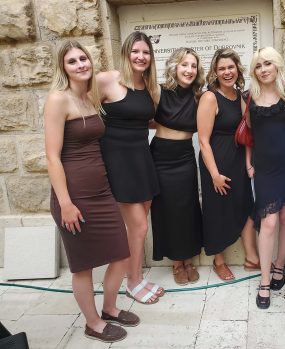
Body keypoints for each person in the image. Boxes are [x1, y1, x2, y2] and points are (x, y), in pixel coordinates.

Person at [45, 40, 138, 343]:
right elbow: (52, 156)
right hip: (74, 195)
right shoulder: (58, 100)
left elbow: (124, 79)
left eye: (83, 58)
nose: (80, 65)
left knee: (121, 253)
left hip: (101, 191)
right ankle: (93, 322)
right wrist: (65, 203)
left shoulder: (90, 97)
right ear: (63, 67)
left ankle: (110, 308)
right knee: (83, 266)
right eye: (72, 61)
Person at [97, 32, 163, 305]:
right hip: (118, 162)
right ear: (126, 52)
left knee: (139, 225)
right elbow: (82, 113)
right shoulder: (106, 80)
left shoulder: (148, 85)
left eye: (146, 52)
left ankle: (134, 276)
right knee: (138, 226)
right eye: (136, 51)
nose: (141, 57)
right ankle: (132, 283)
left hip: (141, 158)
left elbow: (143, 120)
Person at [197, 48, 258, 281]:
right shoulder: (210, 97)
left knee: (246, 207)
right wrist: (214, 174)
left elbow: (247, 132)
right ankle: (218, 261)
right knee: (217, 211)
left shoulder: (240, 97)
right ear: (215, 72)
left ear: (238, 69)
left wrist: (249, 163)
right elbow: (203, 140)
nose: (227, 72)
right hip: (217, 163)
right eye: (221, 68)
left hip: (238, 162)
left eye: (230, 67)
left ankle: (251, 257)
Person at [150, 48, 204, 285]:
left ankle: (188, 259)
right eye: (184, 65)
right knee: (168, 209)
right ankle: (176, 262)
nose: (189, 70)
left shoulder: (199, 96)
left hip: (184, 155)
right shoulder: (159, 91)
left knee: (187, 208)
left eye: (193, 66)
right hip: (161, 155)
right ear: (174, 66)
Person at [246, 47, 285, 309]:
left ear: (277, 66)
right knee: (269, 223)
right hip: (264, 170)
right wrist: (248, 163)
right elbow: (248, 136)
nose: (263, 69)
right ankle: (265, 279)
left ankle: (279, 263)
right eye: (258, 65)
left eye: (268, 63)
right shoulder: (249, 97)